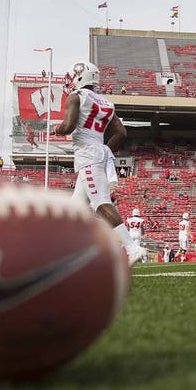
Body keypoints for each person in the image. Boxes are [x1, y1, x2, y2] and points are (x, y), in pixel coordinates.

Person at [50, 60, 145, 266]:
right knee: (75, 207)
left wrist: (56, 129)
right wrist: (105, 150)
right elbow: (121, 133)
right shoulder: (105, 102)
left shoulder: (77, 97)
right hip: (99, 150)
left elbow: (68, 126)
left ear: (80, 77)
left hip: (87, 153)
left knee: (101, 203)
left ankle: (132, 247)